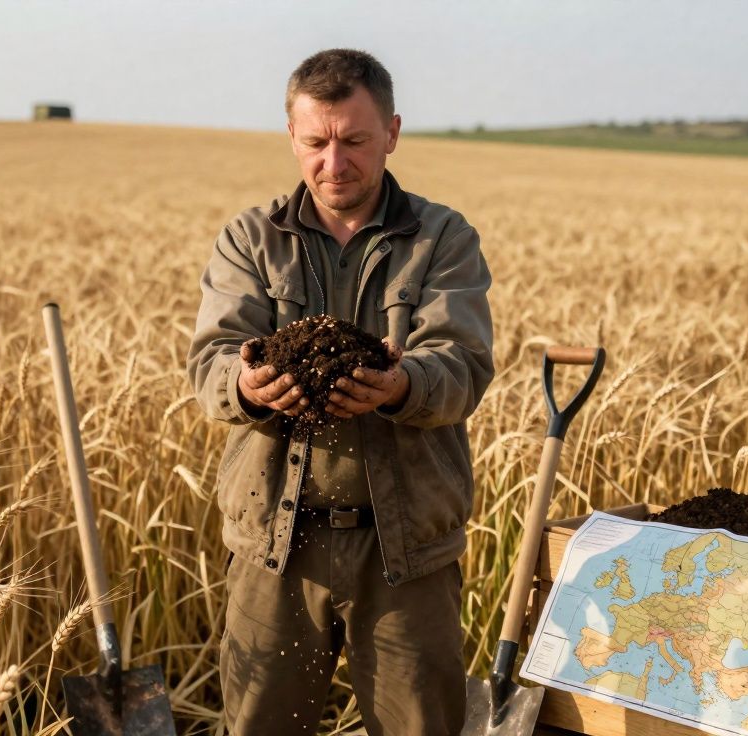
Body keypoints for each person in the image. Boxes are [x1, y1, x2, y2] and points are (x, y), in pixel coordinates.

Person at [187, 48, 495, 736]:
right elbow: (209, 365)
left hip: (406, 552)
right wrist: (247, 384)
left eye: (355, 141)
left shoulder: (442, 239)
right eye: (315, 143)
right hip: (274, 546)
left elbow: (463, 366)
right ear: (291, 136)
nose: (335, 162)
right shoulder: (250, 239)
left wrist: (401, 385)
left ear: (391, 131)